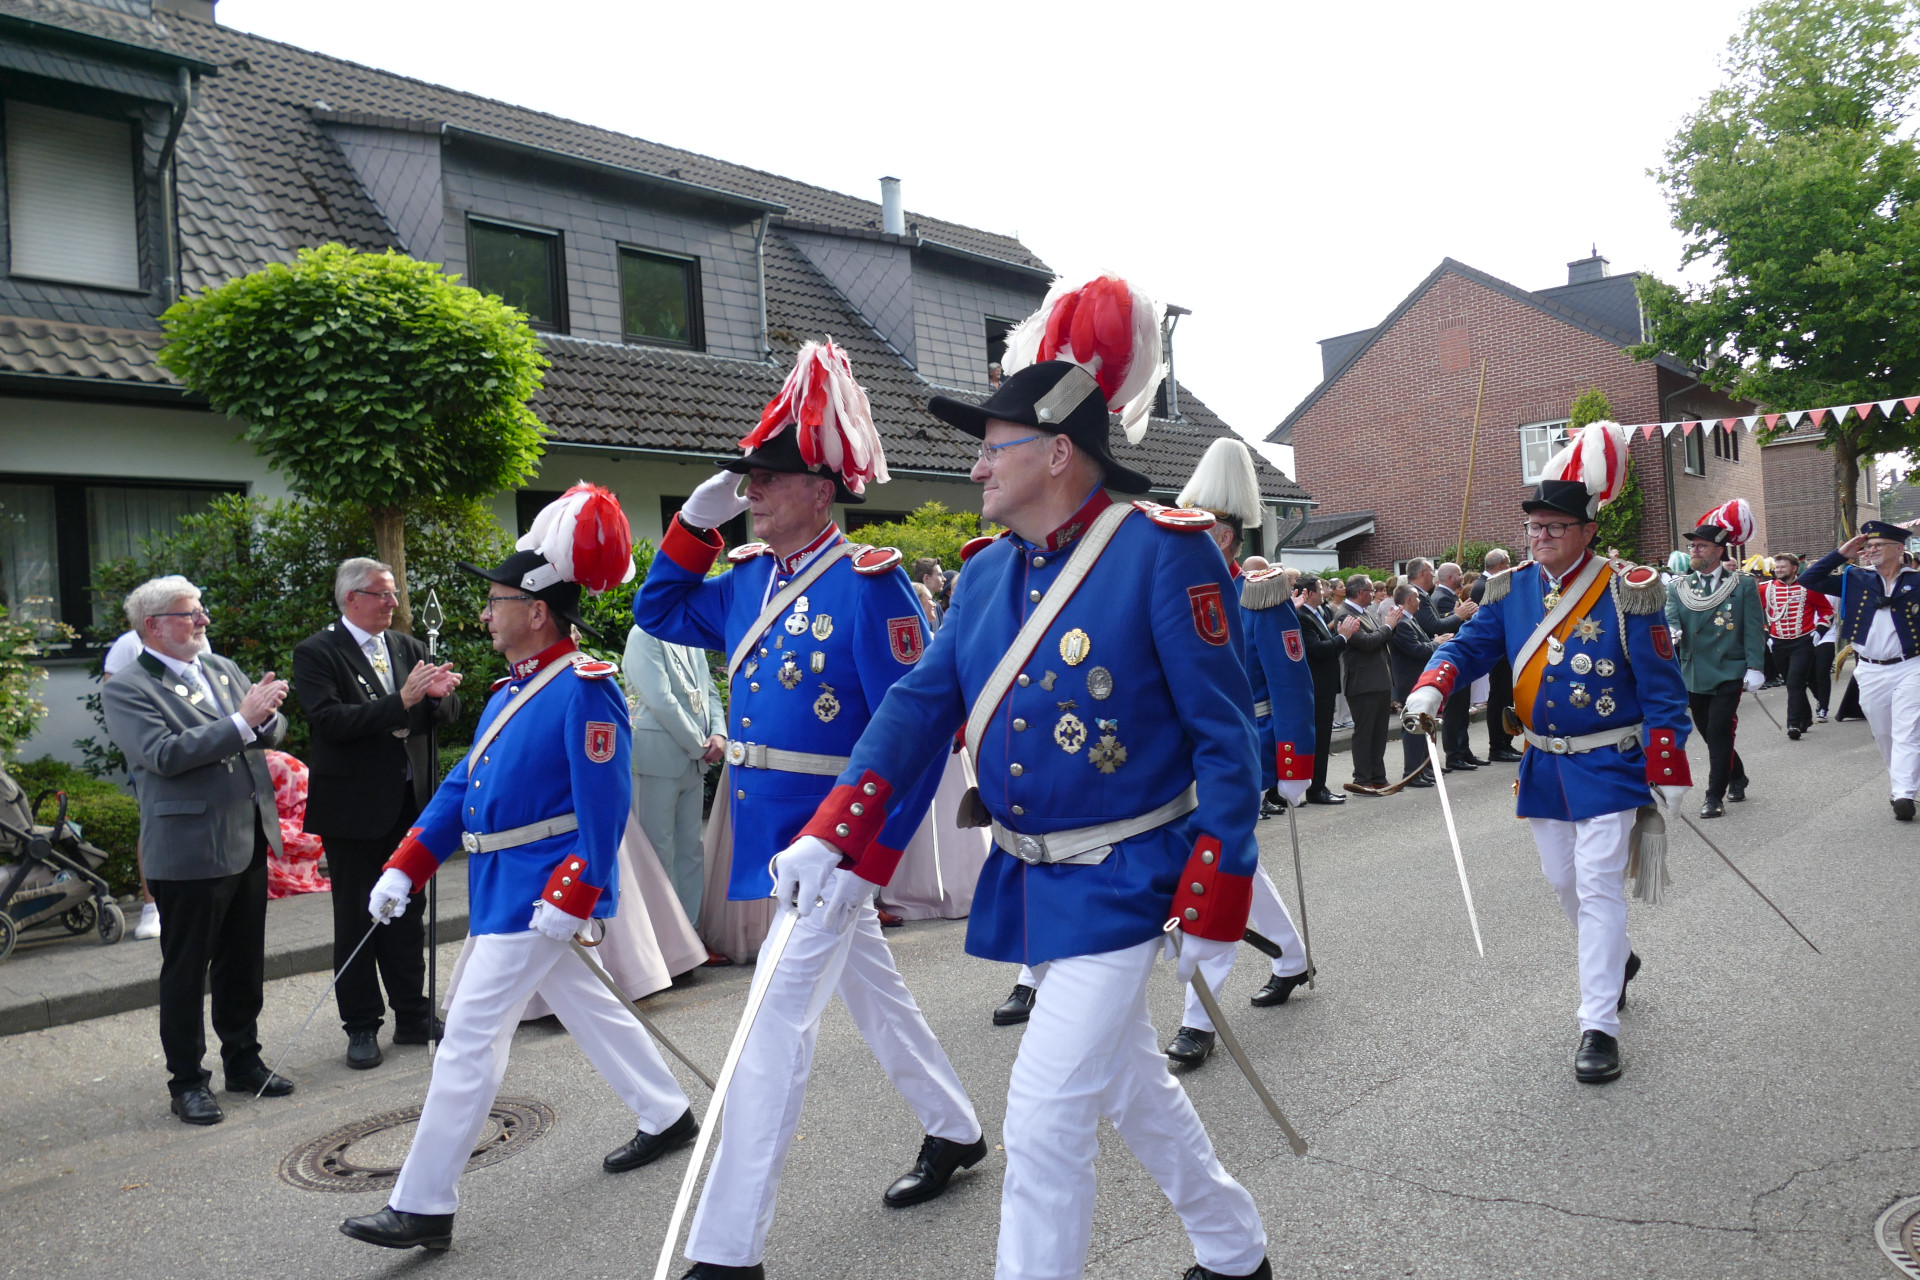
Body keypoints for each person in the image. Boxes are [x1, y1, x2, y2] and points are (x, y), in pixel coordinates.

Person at [776, 273, 1274, 1280]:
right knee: (1131, 1084)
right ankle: (1235, 1249)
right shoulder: (987, 570)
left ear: (1056, 452)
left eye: (991, 444)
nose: (975, 464)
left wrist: (1219, 884)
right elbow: (917, 706)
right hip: (1034, 876)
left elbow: (1226, 738)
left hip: (1127, 874)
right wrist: (833, 827)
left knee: (1044, 1120)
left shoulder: (1162, 553)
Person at [634, 339, 982, 1280]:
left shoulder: (871, 583)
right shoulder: (747, 577)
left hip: (834, 846)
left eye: (768, 477)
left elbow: (916, 733)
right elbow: (658, 613)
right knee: (878, 1000)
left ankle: (727, 1252)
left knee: (768, 1031)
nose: (751, 490)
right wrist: (693, 526)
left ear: (821, 491)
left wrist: (864, 856)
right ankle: (954, 1129)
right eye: (746, 478)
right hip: (773, 842)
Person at [340, 486, 694, 1253]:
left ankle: (423, 1202)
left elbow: (605, 809)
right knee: (588, 1005)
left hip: (542, 890)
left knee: (468, 1037)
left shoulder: (585, 689)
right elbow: (462, 786)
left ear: (537, 611)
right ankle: (666, 1111)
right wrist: (406, 866)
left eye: (495, 602)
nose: (484, 615)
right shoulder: (514, 688)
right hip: (506, 890)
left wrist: (576, 893)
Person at [1403, 421, 1693, 1084]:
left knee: (1596, 883)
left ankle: (1599, 1025)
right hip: (1543, 761)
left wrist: (1668, 762)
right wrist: (1432, 686)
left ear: (1588, 529)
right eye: (1534, 527)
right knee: (1563, 881)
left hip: (1610, 761)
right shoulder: (1512, 590)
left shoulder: (1628, 589)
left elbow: (1663, 690)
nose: (1539, 538)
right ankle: (1616, 959)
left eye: (1554, 528)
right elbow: (1467, 647)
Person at [101, 576, 293, 1125]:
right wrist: (243, 720)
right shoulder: (127, 688)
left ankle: (244, 1061)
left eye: (201, 610)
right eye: (190, 613)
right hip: (188, 848)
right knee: (186, 972)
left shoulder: (221, 667)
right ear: (154, 626)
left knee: (243, 962)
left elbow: (267, 730)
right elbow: (163, 754)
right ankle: (187, 1081)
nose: (204, 620)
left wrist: (266, 716)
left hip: (244, 835)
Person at [1162, 437, 1317, 1068]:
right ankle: (1293, 956)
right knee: (1237, 868)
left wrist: (1294, 767)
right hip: (1178, 759)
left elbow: (1292, 687)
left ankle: (1198, 1017)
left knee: (1216, 871)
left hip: (1237, 755)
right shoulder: (1168, 591)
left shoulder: (1259, 597)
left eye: (1195, 531)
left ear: (1223, 537)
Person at [292, 558, 463, 1070]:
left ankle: (413, 1013)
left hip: (409, 802)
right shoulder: (318, 652)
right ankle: (361, 1024)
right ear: (352, 598)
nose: (393, 602)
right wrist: (402, 700)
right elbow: (329, 721)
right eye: (382, 594)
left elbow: (443, 716)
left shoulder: (408, 647)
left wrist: (439, 698)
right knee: (356, 917)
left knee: (409, 912)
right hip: (353, 808)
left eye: (394, 594)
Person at [1796, 521, 1920, 821]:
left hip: (1911, 666)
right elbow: (1809, 579)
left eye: (1879, 545)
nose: (1871, 549)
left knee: (1907, 730)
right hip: (1870, 668)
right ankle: (1901, 783)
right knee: (1883, 732)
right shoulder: (1855, 578)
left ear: (1899, 548)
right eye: (1869, 545)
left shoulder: (1916, 581)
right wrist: (1841, 554)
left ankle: (1904, 793)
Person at [1665, 501, 1766, 818]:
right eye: (1692, 546)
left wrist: (1755, 666)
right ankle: (1737, 775)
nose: (1694, 550)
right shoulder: (1679, 587)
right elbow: (1671, 618)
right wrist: (1672, 632)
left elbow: (1752, 629)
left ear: (1719, 551)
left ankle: (1713, 796)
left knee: (1720, 731)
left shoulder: (1742, 585)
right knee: (1710, 734)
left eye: (1701, 546)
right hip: (1693, 671)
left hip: (1728, 670)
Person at [623, 621, 726, 926]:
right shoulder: (643, 635)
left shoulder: (689, 636)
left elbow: (708, 691)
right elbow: (659, 699)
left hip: (693, 759)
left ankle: (689, 933)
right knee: (657, 851)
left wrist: (719, 734)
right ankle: (662, 938)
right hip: (657, 759)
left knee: (691, 850)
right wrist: (700, 745)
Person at [100, 629, 162, 939]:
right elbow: (112, 696)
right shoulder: (129, 644)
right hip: (151, 751)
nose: (200, 619)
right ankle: (151, 907)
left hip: (195, 746)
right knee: (152, 822)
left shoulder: (197, 640)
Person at [1755, 552, 1834, 740]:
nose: (1779, 570)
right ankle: (1805, 717)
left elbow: (1827, 611)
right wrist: (1766, 633)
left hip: (1803, 641)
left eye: (1783, 567)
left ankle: (1793, 723)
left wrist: (1820, 630)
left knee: (1794, 682)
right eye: (1777, 567)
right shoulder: (1765, 588)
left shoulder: (1808, 587)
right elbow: (1755, 614)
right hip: (1778, 642)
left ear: (1794, 568)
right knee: (1793, 682)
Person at [1413, 560, 1482, 770]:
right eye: (1459, 574)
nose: (1462, 578)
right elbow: (1437, 626)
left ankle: (1463, 751)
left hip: (1457, 655)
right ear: (1451, 577)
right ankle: (1455, 754)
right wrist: (1460, 616)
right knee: (1454, 708)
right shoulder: (1441, 597)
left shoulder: (1439, 595)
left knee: (1461, 708)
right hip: (1449, 655)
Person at [1339, 575, 1397, 794]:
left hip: (1378, 681)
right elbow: (1366, 643)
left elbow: (1380, 639)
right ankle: (1362, 778)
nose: (1373, 595)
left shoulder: (1365, 612)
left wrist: (1390, 626)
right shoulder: (1345, 614)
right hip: (1362, 683)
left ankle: (1378, 777)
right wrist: (1388, 626)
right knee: (1365, 732)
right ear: (1361, 592)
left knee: (1379, 733)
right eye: (1371, 591)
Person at [1292, 574, 1347, 804]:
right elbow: (1317, 649)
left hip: (1325, 686)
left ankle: (1318, 786)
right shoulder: (1303, 616)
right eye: (1320, 589)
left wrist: (1338, 636)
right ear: (1309, 593)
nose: (1324, 592)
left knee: (1323, 739)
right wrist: (1343, 637)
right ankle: (1316, 789)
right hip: (1317, 687)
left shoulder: (1318, 613)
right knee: (1319, 739)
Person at [1468, 549, 1524, 763]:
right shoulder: (1485, 585)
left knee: (1506, 697)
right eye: (1508, 564)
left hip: (1503, 650)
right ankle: (1498, 745)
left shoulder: (1488, 583)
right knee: (1499, 698)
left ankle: (1505, 742)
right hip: (1497, 652)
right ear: (1500, 565)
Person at [1388, 582, 1443, 788]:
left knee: (1423, 725)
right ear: (1409, 600)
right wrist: (1437, 643)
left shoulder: (1410, 619)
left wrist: (1435, 641)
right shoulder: (1402, 623)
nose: (1420, 601)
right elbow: (1416, 649)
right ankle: (1411, 772)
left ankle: (1422, 768)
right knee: (1413, 727)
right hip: (1409, 682)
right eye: (1417, 598)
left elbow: (1421, 643)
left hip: (1417, 680)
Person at [912, 556, 947, 629]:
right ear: (927, 578)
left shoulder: (937, 607)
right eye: (940, 575)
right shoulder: (914, 607)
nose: (944, 579)